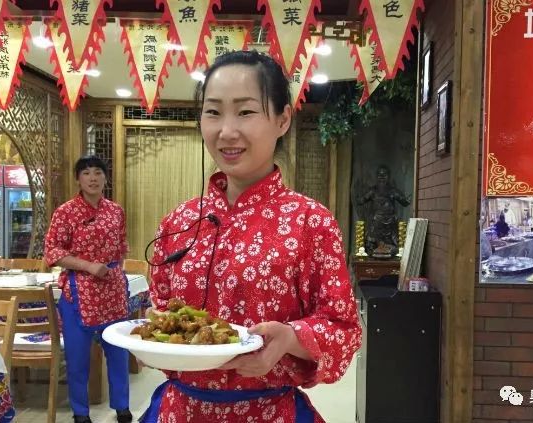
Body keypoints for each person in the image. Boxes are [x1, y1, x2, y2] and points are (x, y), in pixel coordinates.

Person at [142, 50, 362, 422]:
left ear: (282, 119)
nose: (226, 131)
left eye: (245, 112)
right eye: (213, 112)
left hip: (269, 412)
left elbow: (343, 329)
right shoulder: (178, 221)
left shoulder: (311, 221)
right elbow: (160, 312)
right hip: (181, 410)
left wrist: (289, 339)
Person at [44, 156, 132, 423]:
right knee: (77, 357)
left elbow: (122, 246)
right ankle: (80, 412)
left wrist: (118, 274)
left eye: (98, 173)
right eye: (86, 173)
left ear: (105, 178)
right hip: (78, 292)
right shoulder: (66, 212)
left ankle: (122, 408)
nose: (92, 178)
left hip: (113, 290)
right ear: (78, 179)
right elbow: (53, 252)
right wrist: (88, 266)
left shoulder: (116, 211)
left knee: (118, 353)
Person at [357, 165, 410, 255]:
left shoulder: (393, 191)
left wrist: (407, 200)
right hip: (376, 222)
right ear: (376, 177)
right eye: (380, 175)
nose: (382, 178)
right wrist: (358, 197)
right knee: (372, 243)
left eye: (384, 175)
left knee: (393, 244)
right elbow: (361, 200)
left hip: (390, 222)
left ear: (388, 177)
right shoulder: (372, 191)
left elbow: (404, 202)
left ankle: (391, 252)